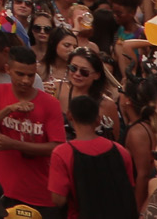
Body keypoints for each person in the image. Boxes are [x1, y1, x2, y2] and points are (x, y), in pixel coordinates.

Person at [0, 44, 66, 216]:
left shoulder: (50, 104)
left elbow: (56, 148)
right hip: (3, 191)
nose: (25, 80)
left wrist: (13, 144)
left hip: (39, 195)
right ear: (8, 69)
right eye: (20, 74)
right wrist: (9, 109)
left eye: (30, 75)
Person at [47, 91, 137, 219]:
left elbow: (58, 199)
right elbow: (129, 191)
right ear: (98, 119)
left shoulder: (62, 153)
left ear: (70, 116)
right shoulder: (121, 151)